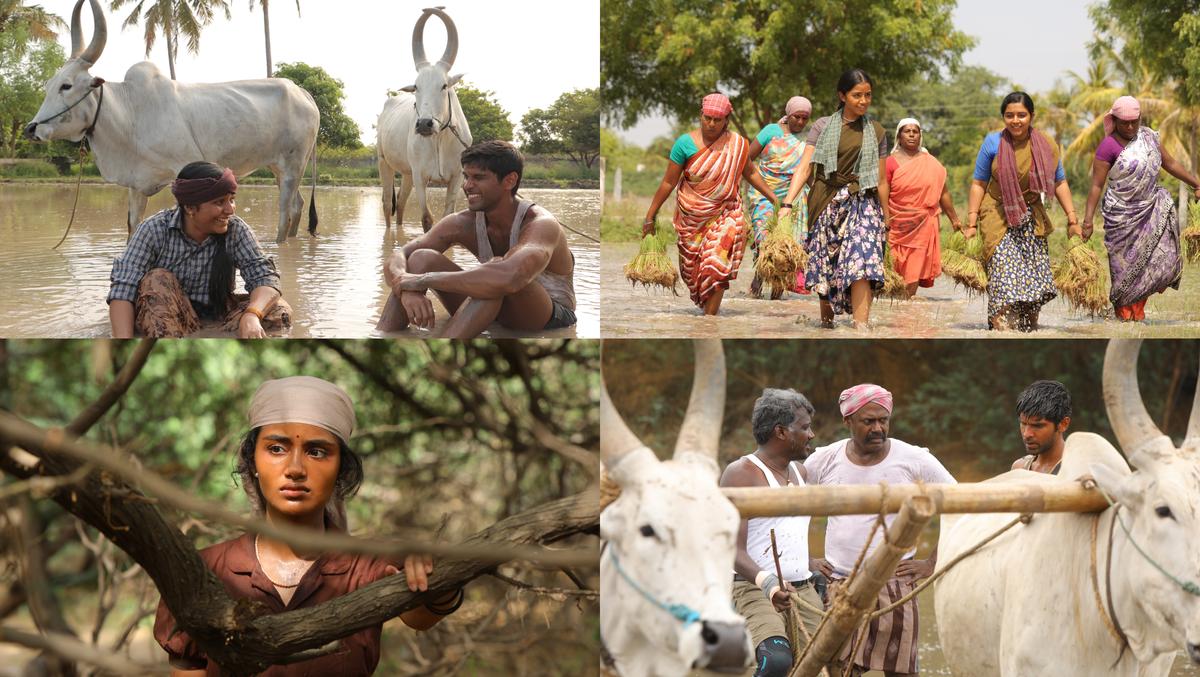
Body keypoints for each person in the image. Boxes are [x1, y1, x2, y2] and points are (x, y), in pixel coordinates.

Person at [154, 376, 463, 675]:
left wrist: (435, 581)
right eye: (277, 448)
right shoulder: (204, 571)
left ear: (341, 467)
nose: (295, 469)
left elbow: (421, 617)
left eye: (317, 451)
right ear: (252, 462)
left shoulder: (367, 567)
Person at [804, 384, 956, 677]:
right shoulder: (826, 459)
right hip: (839, 582)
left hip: (895, 584)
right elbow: (790, 506)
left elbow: (958, 505)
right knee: (841, 669)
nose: (878, 428)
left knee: (902, 671)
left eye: (883, 420)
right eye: (868, 421)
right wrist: (806, 559)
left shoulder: (914, 458)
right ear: (848, 421)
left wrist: (931, 563)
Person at [378, 140, 577, 338]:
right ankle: (383, 336)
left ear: (509, 180)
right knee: (421, 258)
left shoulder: (541, 223)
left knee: (492, 276)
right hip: (494, 301)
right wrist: (406, 288)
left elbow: (507, 277)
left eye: (478, 178)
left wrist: (420, 280)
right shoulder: (463, 222)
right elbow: (399, 255)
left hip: (548, 317)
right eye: (466, 176)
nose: (467, 185)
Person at [106, 161, 291, 339]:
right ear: (189, 208)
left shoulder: (236, 230)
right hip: (164, 315)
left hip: (217, 315)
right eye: (220, 202)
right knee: (157, 279)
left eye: (232, 200)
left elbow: (265, 277)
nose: (230, 210)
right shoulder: (154, 230)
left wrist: (252, 314)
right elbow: (123, 290)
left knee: (278, 310)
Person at [640, 92, 778, 315]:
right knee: (692, 275)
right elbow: (668, 182)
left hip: (727, 213)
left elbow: (750, 172)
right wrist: (650, 216)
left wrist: (773, 198)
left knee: (716, 265)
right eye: (707, 118)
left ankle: (709, 321)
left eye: (717, 120)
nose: (711, 124)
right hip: (691, 221)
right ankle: (707, 314)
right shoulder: (684, 144)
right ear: (700, 115)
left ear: (726, 121)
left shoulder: (738, 145)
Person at [718, 388, 825, 677]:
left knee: (825, 657)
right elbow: (730, 548)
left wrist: (811, 565)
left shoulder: (801, 474)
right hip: (753, 587)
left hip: (801, 588)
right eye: (804, 427)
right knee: (776, 661)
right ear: (781, 431)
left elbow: (787, 532)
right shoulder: (742, 473)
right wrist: (769, 584)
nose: (811, 435)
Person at [779, 69, 890, 329]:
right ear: (842, 95)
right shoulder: (823, 126)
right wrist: (787, 203)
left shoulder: (877, 131)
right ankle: (826, 328)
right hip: (826, 199)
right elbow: (805, 167)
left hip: (863, 201)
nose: (863, 101)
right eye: (857, 95)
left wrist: (887, 215)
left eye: (868, 95)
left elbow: (882, 180)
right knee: (824, 265)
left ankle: (860, 329)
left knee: (864, 259)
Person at [964, 92, 1079, 332]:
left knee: (1034, 276)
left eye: (1021, 115)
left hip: (1031, 215)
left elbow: (1059, 182)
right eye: (1009, 115)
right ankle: (1001, 328)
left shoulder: (1046, 145)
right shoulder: (993, 143)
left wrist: (1072, 219)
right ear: (1003, 117)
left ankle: (1029, 329)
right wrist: (972, 222)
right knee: (1004, 271)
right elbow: (978, 183)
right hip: (997, 212)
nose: (1016, 120)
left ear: (1032, 116)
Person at [1082, 95, 1200, 322]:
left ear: (1140, 119)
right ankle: (1125, 317)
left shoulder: (1149, 137)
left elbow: (1171, 163)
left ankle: (1138, 314)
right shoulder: (1108, 146)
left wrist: (1195, 183)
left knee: (1154, 261)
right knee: (1124, 269)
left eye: (1134, 121)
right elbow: (1096, 185)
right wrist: (1087, 221)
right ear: (1113, 121)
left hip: (1151, 210)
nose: (1130, 126)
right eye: (1124, 122)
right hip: (1121, 218)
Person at [885, 118, 963, 297]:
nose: (912, 134)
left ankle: (907, 309)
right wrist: (884, 219)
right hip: (896, 224)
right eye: (907, 131)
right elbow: (882, 193)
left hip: (923, 226)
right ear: (899, 136)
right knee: (892, 268)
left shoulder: (932, 163)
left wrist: (955, 220)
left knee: (912, 272)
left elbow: (943, 194)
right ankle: (891, 315)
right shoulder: (889, 162)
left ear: (920, 135)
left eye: (915, 131)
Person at [747, 96, 814, 299]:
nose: (800, 122)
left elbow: (806, 174)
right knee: (765, 242)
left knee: (784, 249)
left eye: (805, 118)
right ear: (788, 114)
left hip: (792, 200)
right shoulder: (770, 131)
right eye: (797, 117)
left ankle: (775, 298)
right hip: (762, 196)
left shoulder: (806, 143)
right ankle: (755, 288)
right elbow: (746, 160)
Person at [1009, 380, 1072, 475]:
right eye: (1023, 424)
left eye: (1037, 426)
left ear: (1063, 424)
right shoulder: (1020, 469)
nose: (1027, 434)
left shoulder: (1076, 472)